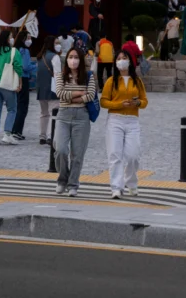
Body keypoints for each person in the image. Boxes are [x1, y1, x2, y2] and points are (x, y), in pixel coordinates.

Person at [100, 50, 147, 199]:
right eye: (119, 58)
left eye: (124, 58)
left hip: (132, 120)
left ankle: (131, 182)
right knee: (115, 154)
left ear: (129, 61)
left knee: (133, 155)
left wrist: (137, 102)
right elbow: (104, 101)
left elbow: (144, 101)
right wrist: (120, 104)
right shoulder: (111, 81)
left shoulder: (137, 81)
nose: (121, 61)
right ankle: (116, 187)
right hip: (115, 119)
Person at [54, 48, 97, 196]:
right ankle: (62, 179)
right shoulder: (60, 76)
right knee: (60, 149)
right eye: (71, 57)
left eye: (76, 57)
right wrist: (79, 93)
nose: (73, 60)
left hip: (82, 117)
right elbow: (60, 93)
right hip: (63, 116)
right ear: (66, 59)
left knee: (77, 154)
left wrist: (74, 98)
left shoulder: (88, 76)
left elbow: (91, 94)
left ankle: (73, 184)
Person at [0, 29, 22, 145]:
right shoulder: (13, 51)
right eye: (11, 36)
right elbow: (18, 67)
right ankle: (7, 134)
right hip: (7, 82)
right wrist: (20, 82)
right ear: (8, 38)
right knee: (12, 109)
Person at [10, 29, 37, 141]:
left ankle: (14, 129)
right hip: (24, 78)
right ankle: (17, 130)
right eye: (29, 38)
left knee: (17, 104)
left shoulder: (15, 49)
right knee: (23, 106)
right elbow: (26, 66)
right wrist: (36, 66)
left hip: (15, 78)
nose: (30, 40)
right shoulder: (25, 51)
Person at [36, 35, 62, 145]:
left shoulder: (40, 56)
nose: (58, 45)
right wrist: (60, 89)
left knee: (44, 113)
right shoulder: (55, 57)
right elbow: (57, 74)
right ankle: (50, 136)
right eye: (56, 43)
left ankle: (42, 135)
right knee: (54, 113)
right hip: (52, 88)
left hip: (41, 88)